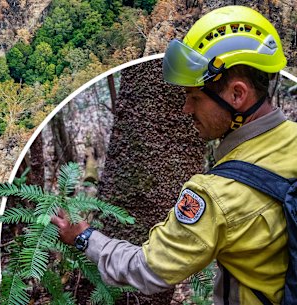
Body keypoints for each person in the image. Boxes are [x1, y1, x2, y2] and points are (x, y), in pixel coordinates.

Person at [51, 5, 297, 305]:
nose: (186, 110)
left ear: (237, 94)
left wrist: (84, 236)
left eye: (194, 98)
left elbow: (147, 270)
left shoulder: (215, 196)